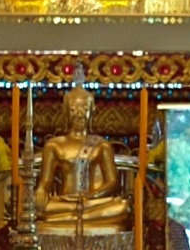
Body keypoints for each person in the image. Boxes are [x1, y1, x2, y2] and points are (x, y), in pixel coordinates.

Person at [34, 84, 130, 229]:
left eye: (84, 109)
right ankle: (80, 218)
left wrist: (93, 196)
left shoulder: (101, 145)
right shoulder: (54, 145)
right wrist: (41, 190)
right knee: (38, 208)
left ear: (92, 111)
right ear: (66, 112)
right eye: (73, 109)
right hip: (66, 202)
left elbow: (112, 181)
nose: (79, 114)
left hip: (91, 202)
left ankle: (68, 220)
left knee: (123, 207)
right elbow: (46, 181)